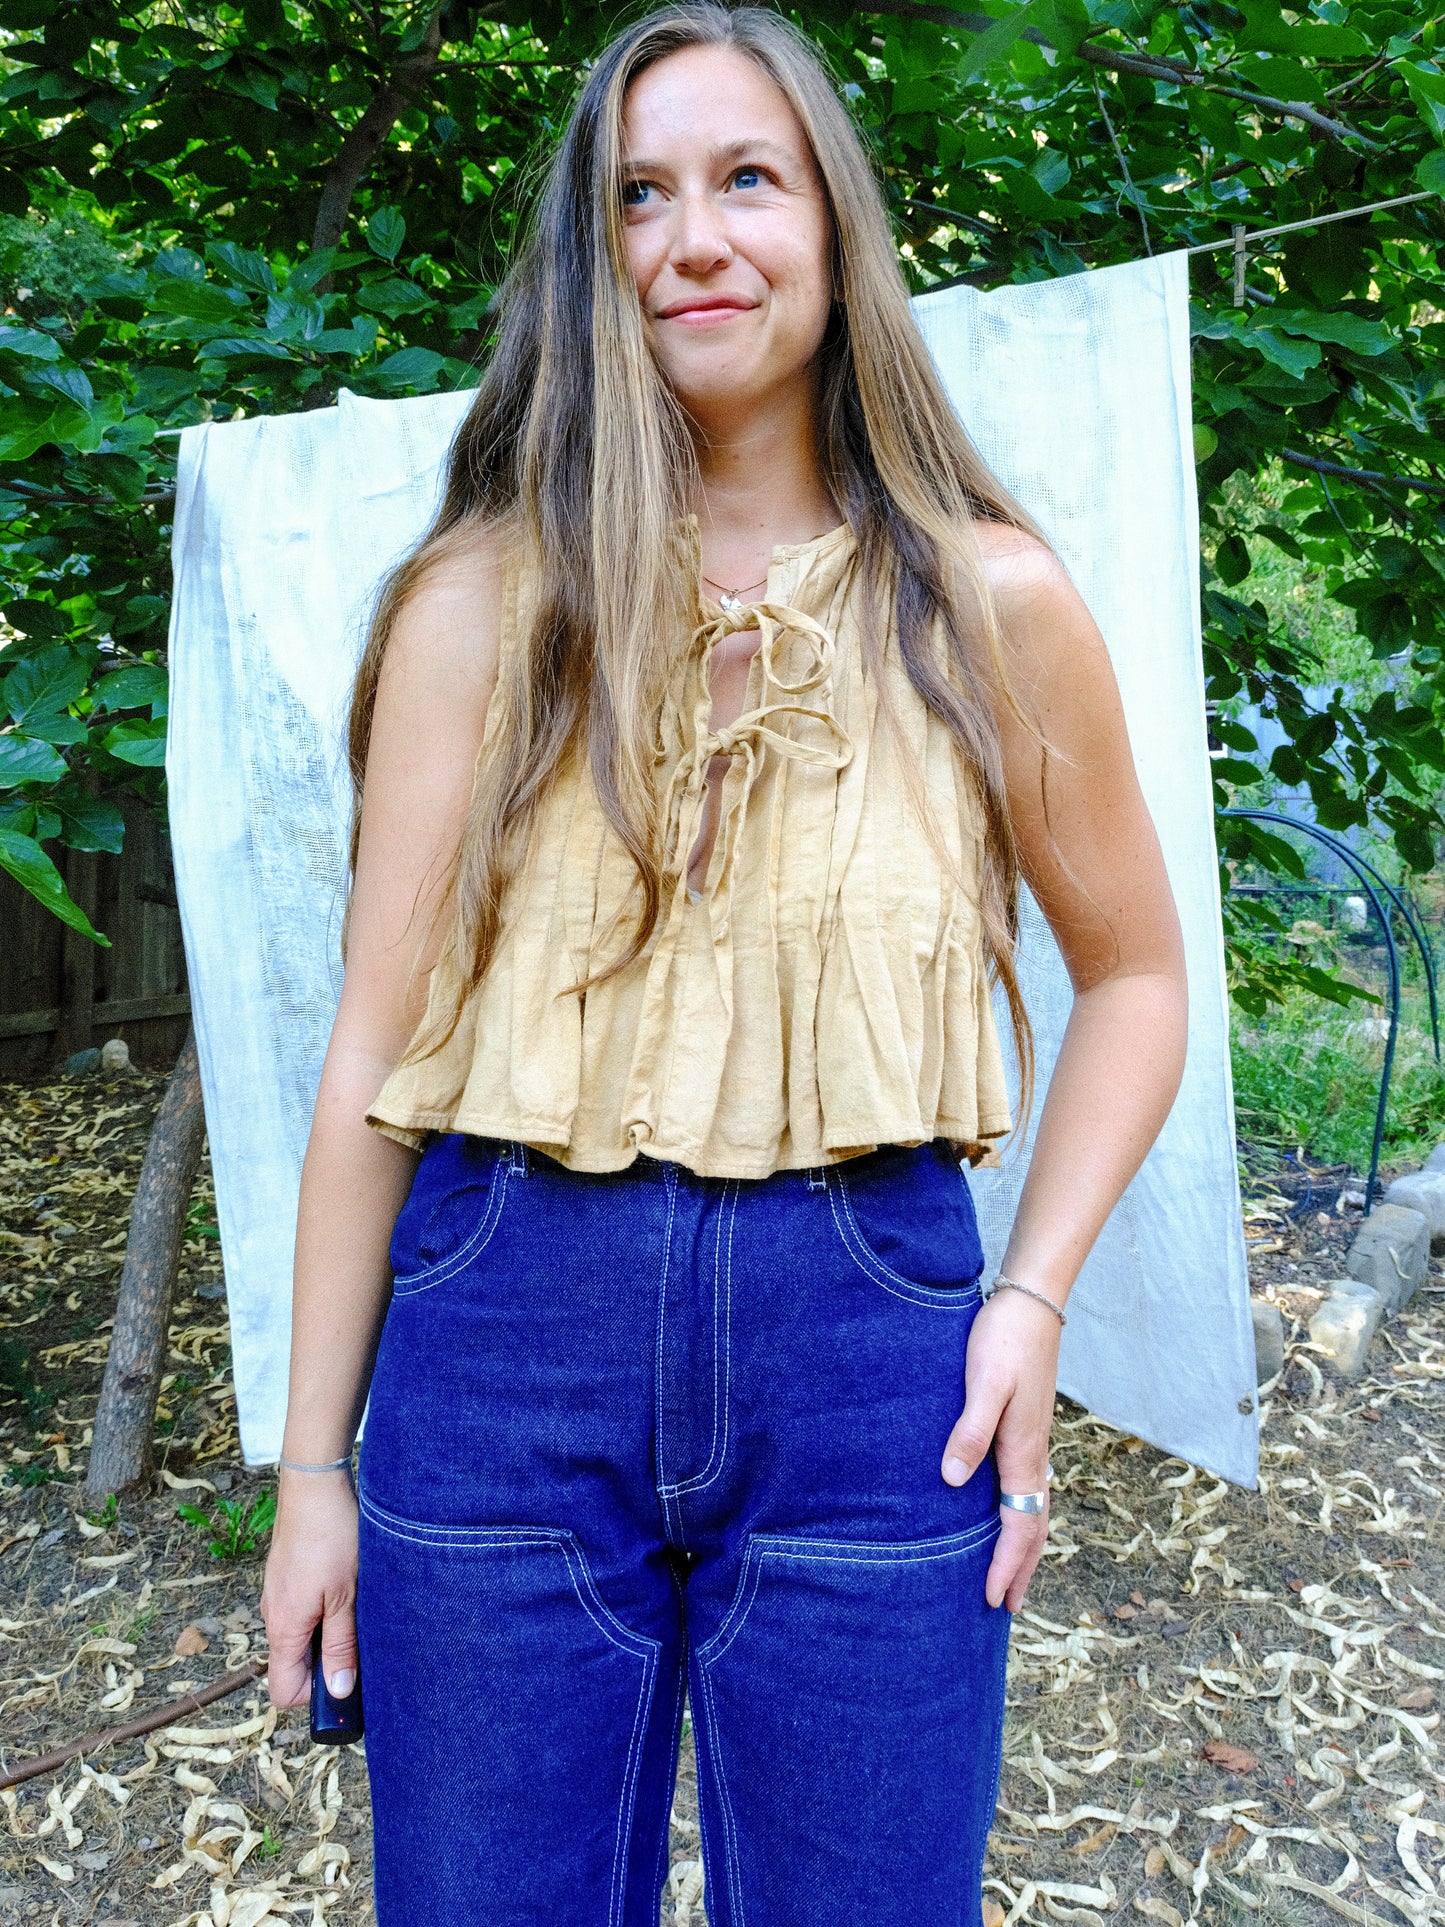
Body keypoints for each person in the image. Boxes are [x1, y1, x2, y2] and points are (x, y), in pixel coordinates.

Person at [259, 5, 1189, 1922]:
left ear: (833, 226)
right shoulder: (476, 605)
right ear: (588, 262)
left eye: (746, 179)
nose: (694, 237)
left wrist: (1027, 1299)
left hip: (870, 1347)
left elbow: (1139, 980)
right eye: (638, 197)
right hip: (496, 1327)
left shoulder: (983, 599)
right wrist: (308, 1475)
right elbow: (370, 1053)